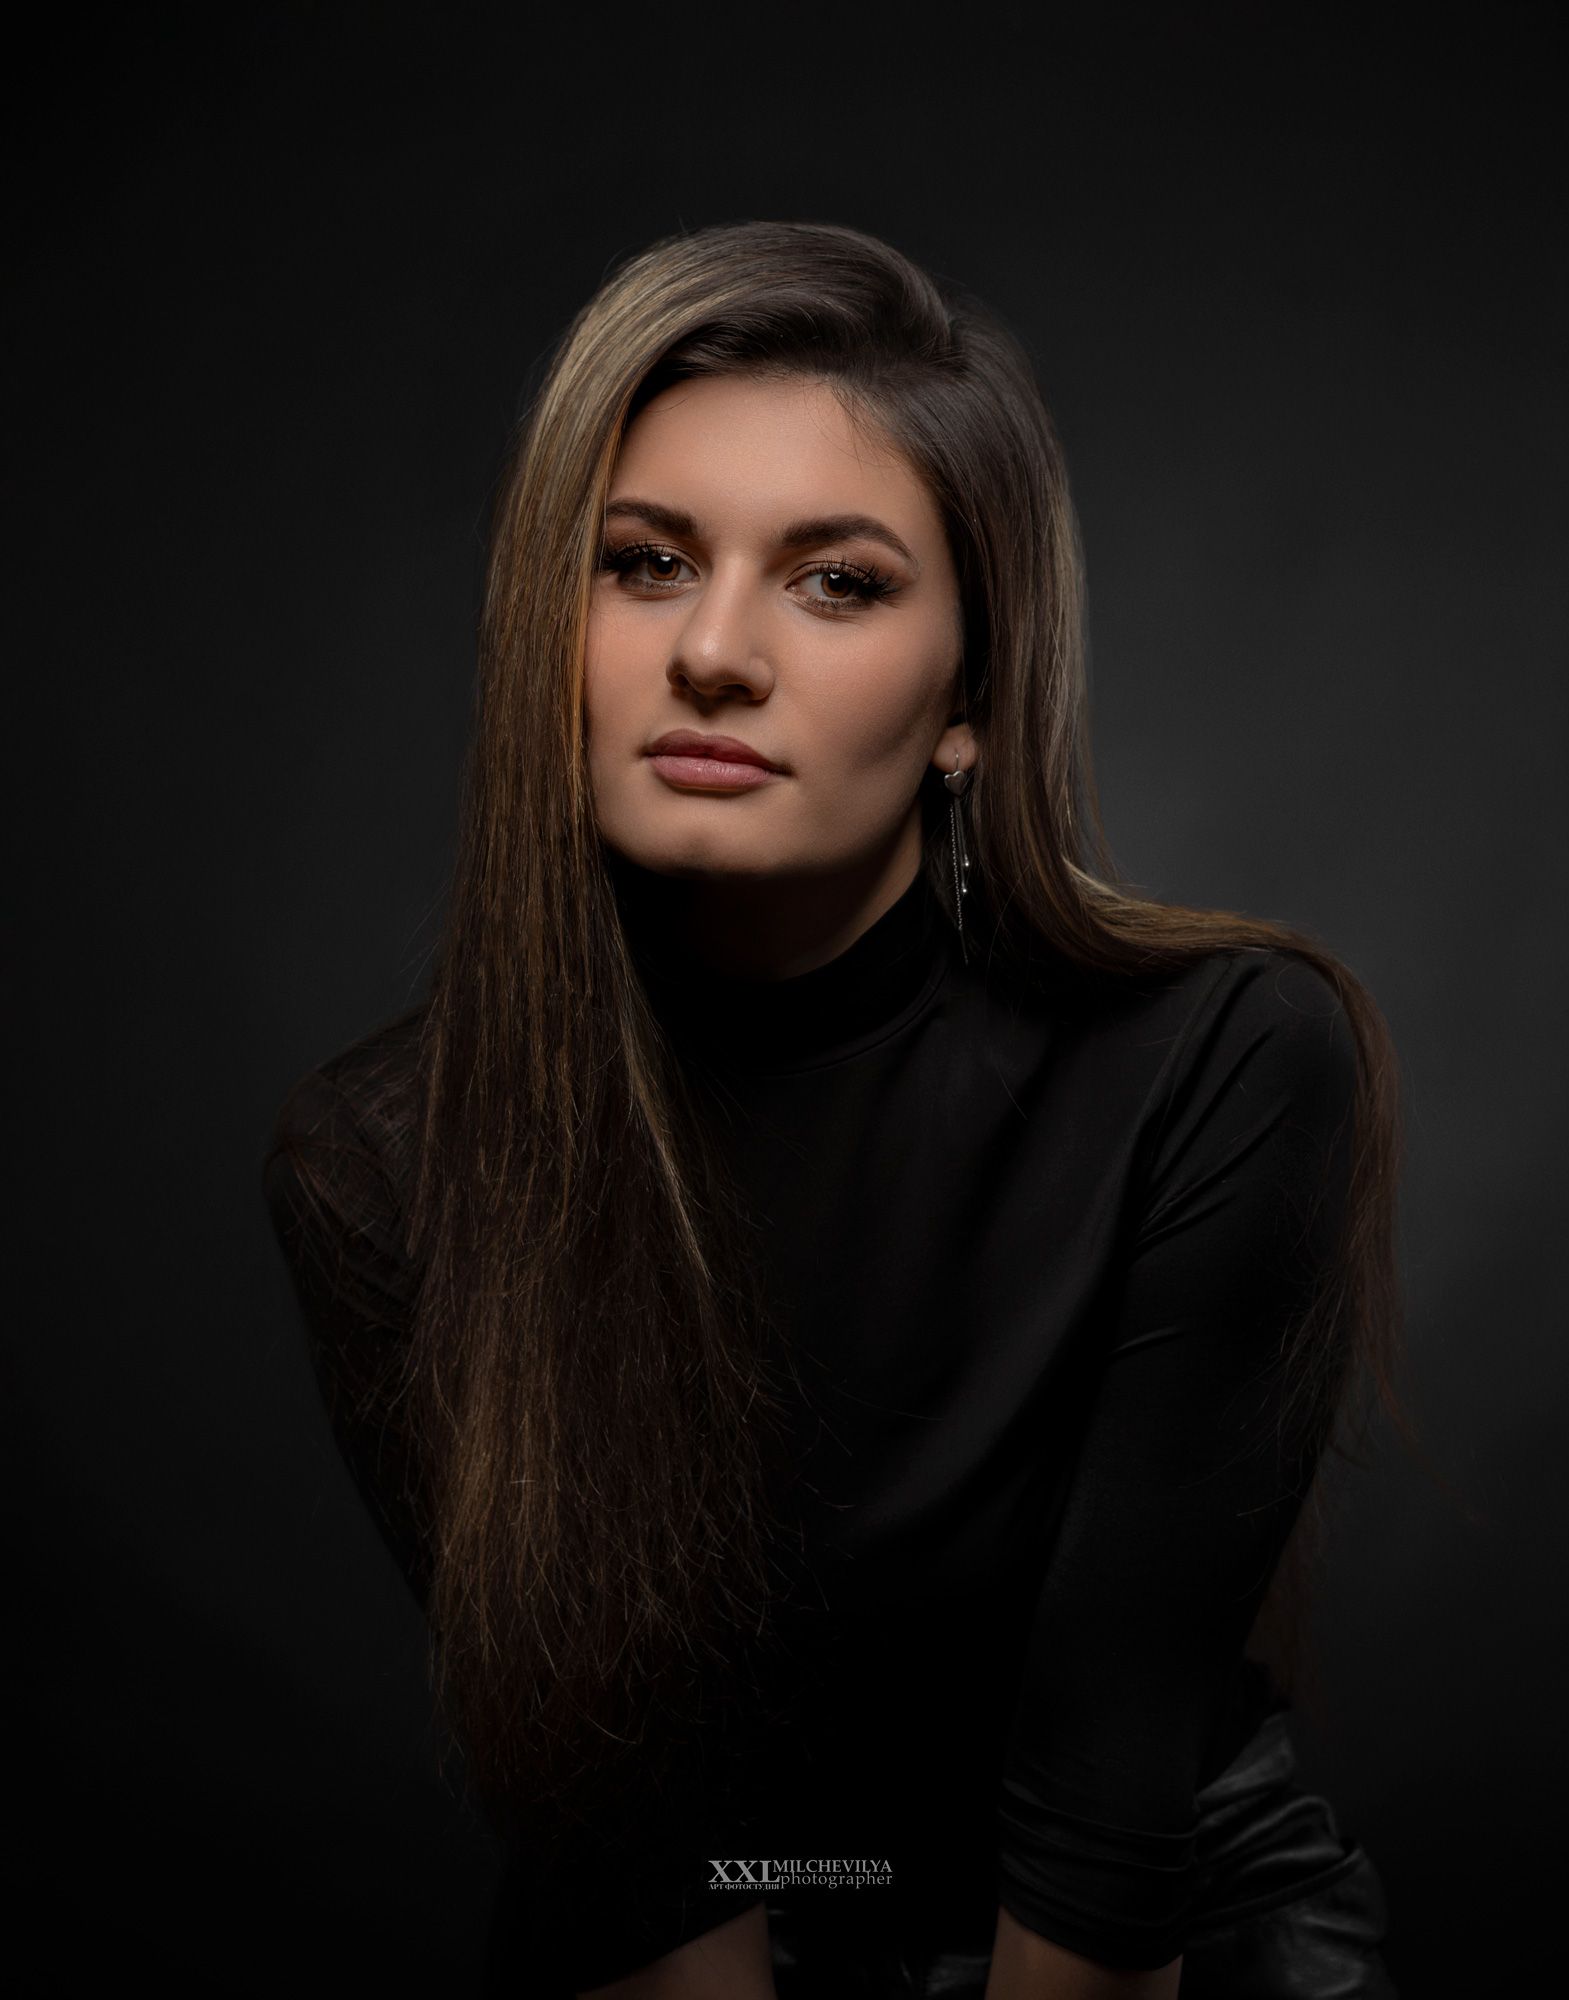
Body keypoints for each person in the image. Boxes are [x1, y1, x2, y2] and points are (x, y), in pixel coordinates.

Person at [262, 220, 1406, 1999]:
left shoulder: (1223, 1059)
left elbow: (1105, 1821)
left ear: (971, 701)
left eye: (838, 583)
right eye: (644, 563)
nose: (713, 651)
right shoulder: (387, 1164)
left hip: (1149, 1940)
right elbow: (646, 1850)